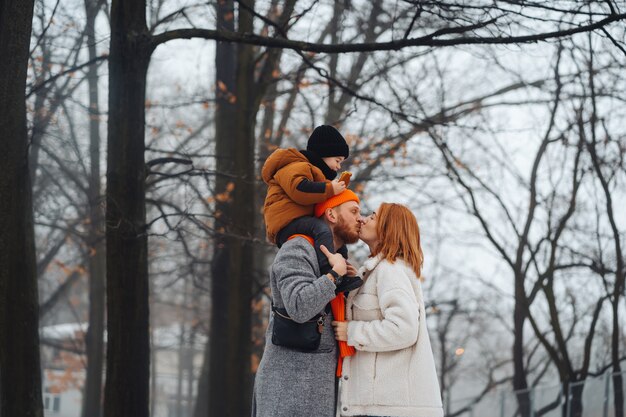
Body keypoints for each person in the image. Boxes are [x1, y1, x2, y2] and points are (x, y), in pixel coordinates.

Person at [251, 190, 363, 417]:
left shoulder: (336, 259)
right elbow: (299, 305)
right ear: (331, 214)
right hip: (288, 388)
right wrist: (333, 276)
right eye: (353, 211)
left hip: (313, 387)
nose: (360, 218)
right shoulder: (298, 248)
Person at [332, 203, 444, 417]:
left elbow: (404, 328)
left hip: (390, 408)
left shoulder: (390, 269)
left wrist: (352, 332)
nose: (363, 219)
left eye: (372, 217)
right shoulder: (379, 270)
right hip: (382, 406)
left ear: (388, 228)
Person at [261, 125, 362, 293]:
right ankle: (327, 270)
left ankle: (344, 270)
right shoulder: (297, 165)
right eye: (337, 160)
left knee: (336, 235)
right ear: (324, 153)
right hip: (285, 221)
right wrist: (330, 189)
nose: (338, 167)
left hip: (299, 219)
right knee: (320, 228)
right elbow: (299, 189)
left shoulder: (314, 172)